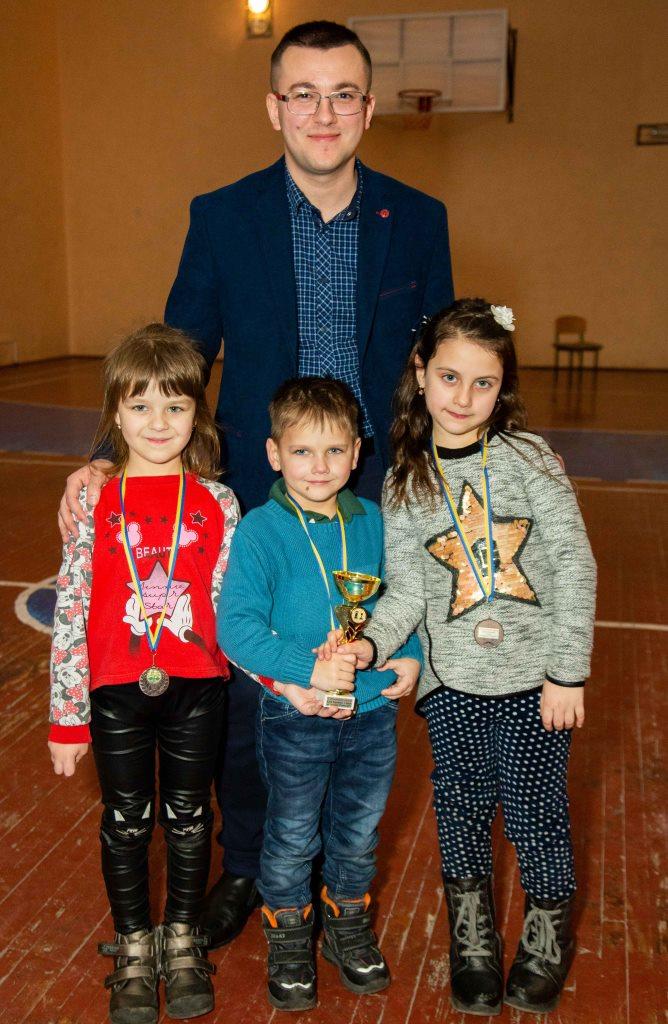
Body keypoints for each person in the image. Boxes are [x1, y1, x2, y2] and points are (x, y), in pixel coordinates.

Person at [57, 20, 455, 947]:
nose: (324, 112)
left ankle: (331, 876)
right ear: (274, 107)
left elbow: (440, 365)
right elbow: (180, 353)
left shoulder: (418, 218)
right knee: (245, 692)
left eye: (343, 94)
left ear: (369, 108)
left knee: (356, 686)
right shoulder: (223, 215)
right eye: (303, 94)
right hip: (256, 497)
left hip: (366, 503)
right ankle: (246, 865)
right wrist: (109, 454)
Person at [321, 299, 597, 1016]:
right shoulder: (404, 480)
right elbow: (408, 592)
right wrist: (371, 642)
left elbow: (574, 563)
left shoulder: (530, 459)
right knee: (462, 813)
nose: (463, 397)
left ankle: (546, 936)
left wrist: (567, 672)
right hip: (451, 687)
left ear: (503, 388)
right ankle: (471, 942)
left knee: (536, 814)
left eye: (483, 383)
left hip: (538, 684)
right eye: (449, 377)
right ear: (420, 373)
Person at [48, 324, 240, 1023]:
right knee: (126, 822)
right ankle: (134, 943)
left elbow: (233, 609)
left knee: (190, 819)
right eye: (140, 406)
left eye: (175, 406)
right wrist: (67, 718)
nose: (158, 423)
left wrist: (284, 679)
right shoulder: (93, 503)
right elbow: (71, 609)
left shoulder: (218, 503)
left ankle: (182, 939)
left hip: (197, 691)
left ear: (197, 414)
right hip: (115, 695)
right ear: (115, 414)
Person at [216, 377, 422, 1011]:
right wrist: (302, 672)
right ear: (274, 454)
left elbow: (401, 601)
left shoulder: (375, 523)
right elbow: (236, 627)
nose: (319, 467)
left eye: (335, 451)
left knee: (358, 831)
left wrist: (408, 655)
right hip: (295, 715)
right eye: (302, 451)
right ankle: (288, 934)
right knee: (292, 834)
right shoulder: (260, 531)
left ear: (357, 453)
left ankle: (346, 922)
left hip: (371, 712)